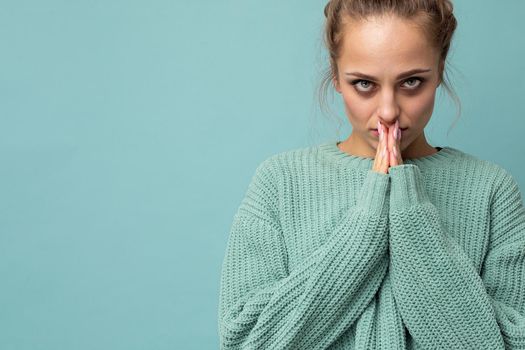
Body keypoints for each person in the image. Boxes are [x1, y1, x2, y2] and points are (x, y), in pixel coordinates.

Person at [218, 0, 525, 349]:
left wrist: (411, 216)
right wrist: (365, 226)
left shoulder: (491, 190)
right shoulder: (279, 182)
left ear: (439, 69)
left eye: (412, 82)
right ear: (335, 76)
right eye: (364, 84)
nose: (388, 111)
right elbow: (247, 342)